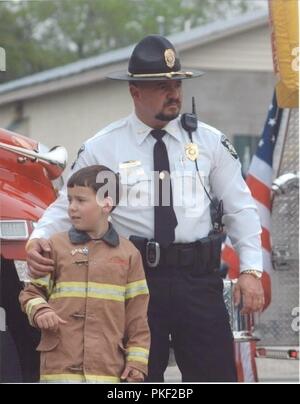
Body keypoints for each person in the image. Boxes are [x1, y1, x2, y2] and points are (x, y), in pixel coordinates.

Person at [26, 35, 265, 382]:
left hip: (198, 281)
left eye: (177, 83)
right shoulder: (103, 148)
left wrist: (252, 271)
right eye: (162, 85)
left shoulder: (209, 141)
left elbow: (240, 208)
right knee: (135, 379)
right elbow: (67, 206)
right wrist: (39, 240)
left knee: (214, 376)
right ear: (135, 92)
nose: (174, 93)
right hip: (134, 281)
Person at [20, 165, 150, 383]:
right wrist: (40, 311)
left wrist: (137, 363)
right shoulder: (53, 246)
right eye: (70, 200)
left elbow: (137, 318)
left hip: (108, 371)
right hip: (59, 370)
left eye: (80, 200)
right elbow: (30, 293)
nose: (71, 208)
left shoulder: (129, 254)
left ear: (106, 204)